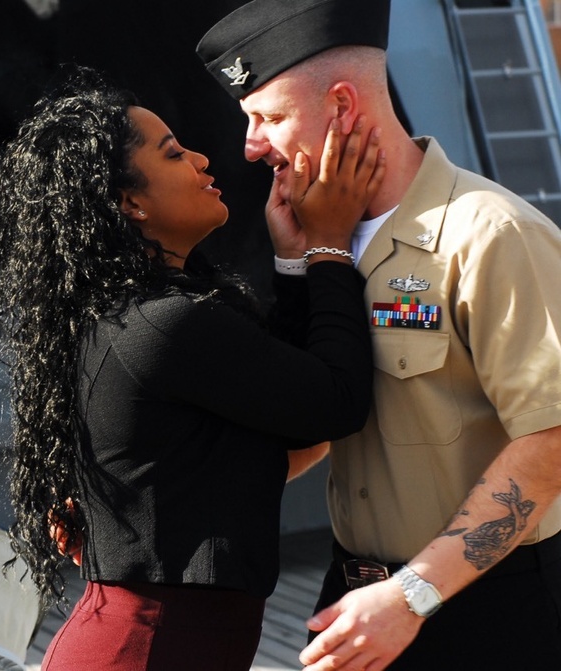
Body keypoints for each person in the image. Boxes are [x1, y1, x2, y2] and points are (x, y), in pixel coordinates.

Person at [0, 67, 384, 670]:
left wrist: (293, 261)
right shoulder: (167, 323)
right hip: (149, 651)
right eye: (174, 153)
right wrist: (330, 247)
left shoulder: (133, 318)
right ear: (130, 202)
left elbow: (287, 406)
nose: (204, 159)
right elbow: (335, 401)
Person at [195, 1, 561, 669]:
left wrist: (411, 594)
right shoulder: (319, 244)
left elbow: (551, 436)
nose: (250, 146)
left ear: (342, 105)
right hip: (362, 599)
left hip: (479, 606)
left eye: (269, 118)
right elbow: (310, 420)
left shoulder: (486, 235)